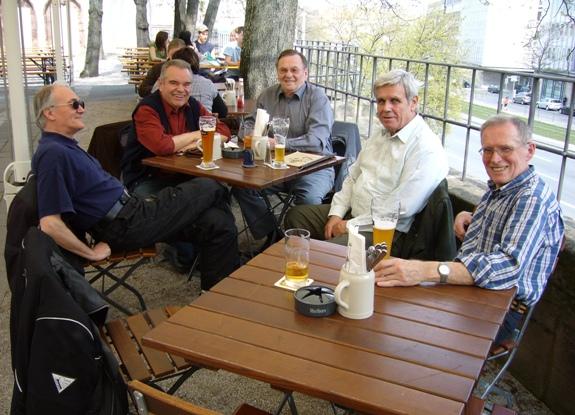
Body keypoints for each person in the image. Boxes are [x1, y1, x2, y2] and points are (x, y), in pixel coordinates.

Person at [32, 83, 240, 291]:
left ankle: (215, 296)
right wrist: (90, 253)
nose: (82, 109)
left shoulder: (63, 147)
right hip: (126, 224)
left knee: (218, 223)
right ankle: (222, 273)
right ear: (50, 113)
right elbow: (50, 223)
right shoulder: (53, 153)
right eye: (74, 104)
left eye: (82, 103)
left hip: (131, 213)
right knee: (209, 185)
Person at [374, 114, 564, 340]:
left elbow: (508, 267)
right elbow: (507, 227)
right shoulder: (503, 187)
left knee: (398, 328)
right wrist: (473, 218)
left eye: (505, 149)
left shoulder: (532, 199)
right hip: (468, 292)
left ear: (529, 150)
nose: (495, 159)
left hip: (500, 308)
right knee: (385, 305)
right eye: (488, 150)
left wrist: (423, 271)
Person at [285, 69, 448, 253]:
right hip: (355, 213)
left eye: (394, 101)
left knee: (329, 253)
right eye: (381, 101)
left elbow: (401, 208)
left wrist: (349, 225)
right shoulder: (381, 133)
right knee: (296, 217)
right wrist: (336, 214)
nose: (386, 108)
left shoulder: (425, 147)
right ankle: (301, 265)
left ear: (413, 103)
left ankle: (319, 265)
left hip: (385, 232)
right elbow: (353, 177)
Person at [232, 49, 335, 245]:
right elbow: (247, 125)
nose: (288, 75)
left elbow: (316, 141)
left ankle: (304, 248)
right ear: (277, 72)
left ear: (305, 73)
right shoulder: (267, 95)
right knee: (242, 186)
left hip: (313, 167)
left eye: (294, 70)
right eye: (283, 70)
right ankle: (273, 236)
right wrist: (253, 135)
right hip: (274, 165)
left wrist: (279, 143)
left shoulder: (318, 98)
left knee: (309, 199)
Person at [123, 58, 231, 195]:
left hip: (186, 174)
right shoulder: (147, 109)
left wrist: (187, 146)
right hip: (148, 179)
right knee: (212, 190)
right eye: (173, 83)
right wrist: (198, 134)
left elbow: (224, 131)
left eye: (186, 84)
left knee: (216, 193)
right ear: (161, 84)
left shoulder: (193, 105)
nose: (181, 89)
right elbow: (162, 146)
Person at [166, 47, 228, 117]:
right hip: (204, 122)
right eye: (174, 83)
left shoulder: (165, 82)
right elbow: (223, 112)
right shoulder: (207, 84)